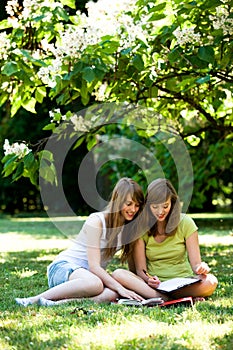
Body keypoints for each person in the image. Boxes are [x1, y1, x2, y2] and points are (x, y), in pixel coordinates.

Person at [15, 177, 145, 307]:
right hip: (64, 269)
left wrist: (140, 283)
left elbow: (134, 270)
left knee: (112, 293)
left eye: (137, 205)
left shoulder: (128, 230)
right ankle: (33, 300)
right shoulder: (97, 221)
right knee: (96, 284)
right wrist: (119, 287)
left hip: (89, 278)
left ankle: (58, 303)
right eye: (129, 204)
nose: (133, 209)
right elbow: (94, 266)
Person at [112, 178, 218, 301]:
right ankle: (169, 297)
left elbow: (196, 265)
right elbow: (141, 271)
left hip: (183, 282)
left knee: (211, 281)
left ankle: (165, 298)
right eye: (155, 206)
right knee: (118, 273)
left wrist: (201, 267)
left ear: (172, 202)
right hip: (155, 286)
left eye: (165, 206)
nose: (160, 211)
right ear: (147, 205)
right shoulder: (141, 228)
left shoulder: (186, 223)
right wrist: (149, 279)